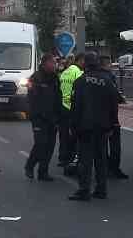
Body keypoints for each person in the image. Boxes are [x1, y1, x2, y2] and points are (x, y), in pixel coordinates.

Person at [67, 52, 119, 201]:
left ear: (86, 64)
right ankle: (101, 189)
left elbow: (75, 106)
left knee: (85, 159)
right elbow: (113, 104)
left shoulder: (80, 81)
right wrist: (112, 124)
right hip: (103, 126)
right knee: (101, 158)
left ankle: (84, 190)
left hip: (85, 126)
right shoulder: (107, 81)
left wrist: (73, 125)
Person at [24, 54, 61, 180]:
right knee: (41, 144)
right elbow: (31, 99)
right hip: (39, 118)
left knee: (50, 146)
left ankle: (43, 172)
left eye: (55, 63)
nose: (55, 65)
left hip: (52, 118)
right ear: (45, 63)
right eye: (53, 63)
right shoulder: (35, 78)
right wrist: (34, 115)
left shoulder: (55, 78)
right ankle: (30, 165)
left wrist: (58, 115)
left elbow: (58, 97)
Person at [57, 53, 83, 173]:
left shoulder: (65, 72)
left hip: (62, 106)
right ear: (80, 61)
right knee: (73, 135)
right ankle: (71, 158)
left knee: (63, 134)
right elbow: (79, 90)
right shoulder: (77, 72)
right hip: (71, 107)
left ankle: (62, 158)